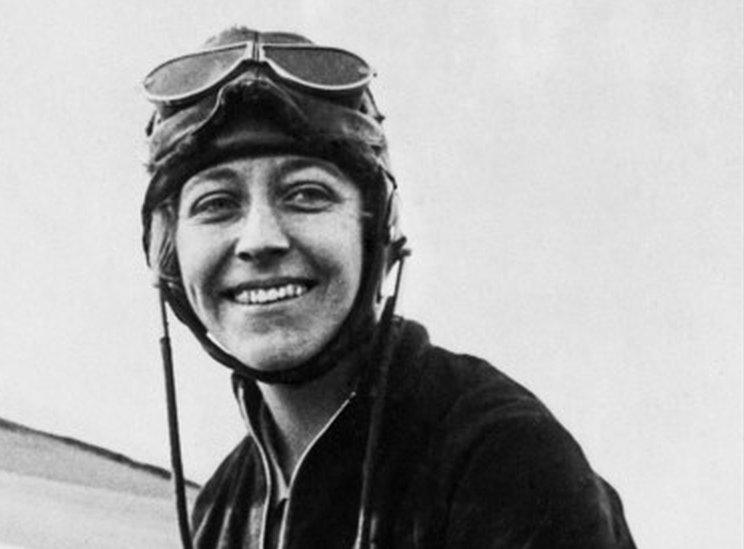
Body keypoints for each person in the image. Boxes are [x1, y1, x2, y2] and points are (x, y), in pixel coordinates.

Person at [140, 27, 635, 549]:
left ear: (376, 232)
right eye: (216, 204)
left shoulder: (502, 462)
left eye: (306, 194)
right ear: (167, 254)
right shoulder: (221, 507)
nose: (259, 238)